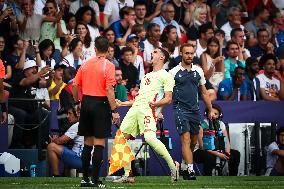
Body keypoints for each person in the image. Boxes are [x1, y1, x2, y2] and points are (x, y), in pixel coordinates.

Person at [113, 47, 179, 183]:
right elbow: (139, 99)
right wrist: (122, 104)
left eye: (155, 52)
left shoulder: (166, 76)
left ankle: (173, 166)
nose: (152, 53)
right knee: (121, 138)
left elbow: (168, 99)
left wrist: (156, 106)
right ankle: (127, 175)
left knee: (149, 138)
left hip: (148, 110)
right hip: (135, 109)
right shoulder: (146, 76)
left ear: (162, 57)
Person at [72, 36, 120, 188]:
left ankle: (85, 179)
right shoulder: (109, 65)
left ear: (95, 49)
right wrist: (114, 110)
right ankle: (95, 180)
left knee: (88, 143)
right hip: (101, 104)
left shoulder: (85, 64)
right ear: (107, 50)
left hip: (86, 102)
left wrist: (77, 102)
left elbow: (74, 85)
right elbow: (109, 89)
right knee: (99, 144)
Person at [169, 43, 213, 180]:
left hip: (195, 111)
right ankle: (190, 170)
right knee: (186, 140)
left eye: (191, 53)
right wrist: (159, 111)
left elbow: (204, 93)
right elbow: (167, 94)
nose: (189, 56)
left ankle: (183, 165)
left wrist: (210, 109)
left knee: (193, 142)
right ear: (181, 54)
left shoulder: (198, 71)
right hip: (180, 109)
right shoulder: (173, 72)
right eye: (186, 53)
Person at [193, 104, 240, 176]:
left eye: (215, 114)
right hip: (201, 151)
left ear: (219, 115)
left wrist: (227, 152)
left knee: (236, 154)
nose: (213, 115)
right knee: (209, 156)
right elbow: (202, 146)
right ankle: (207, 178)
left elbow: (227, 141)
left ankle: (232, 177)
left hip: (218, 149)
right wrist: (217, 153)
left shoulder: (221, 124)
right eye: (211, 113)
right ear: (206, 113)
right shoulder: (201, 125)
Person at [47, 106, 84, 177]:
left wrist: (54, 139)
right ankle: (66, 176)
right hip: (92, 160)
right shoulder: (89, 124)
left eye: (70, 114)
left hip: (80, 160)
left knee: (51, 147)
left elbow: (59, 141)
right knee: (68, 150)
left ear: (77, 114)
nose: (67, 116)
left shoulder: (77, 125)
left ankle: (56, 176)